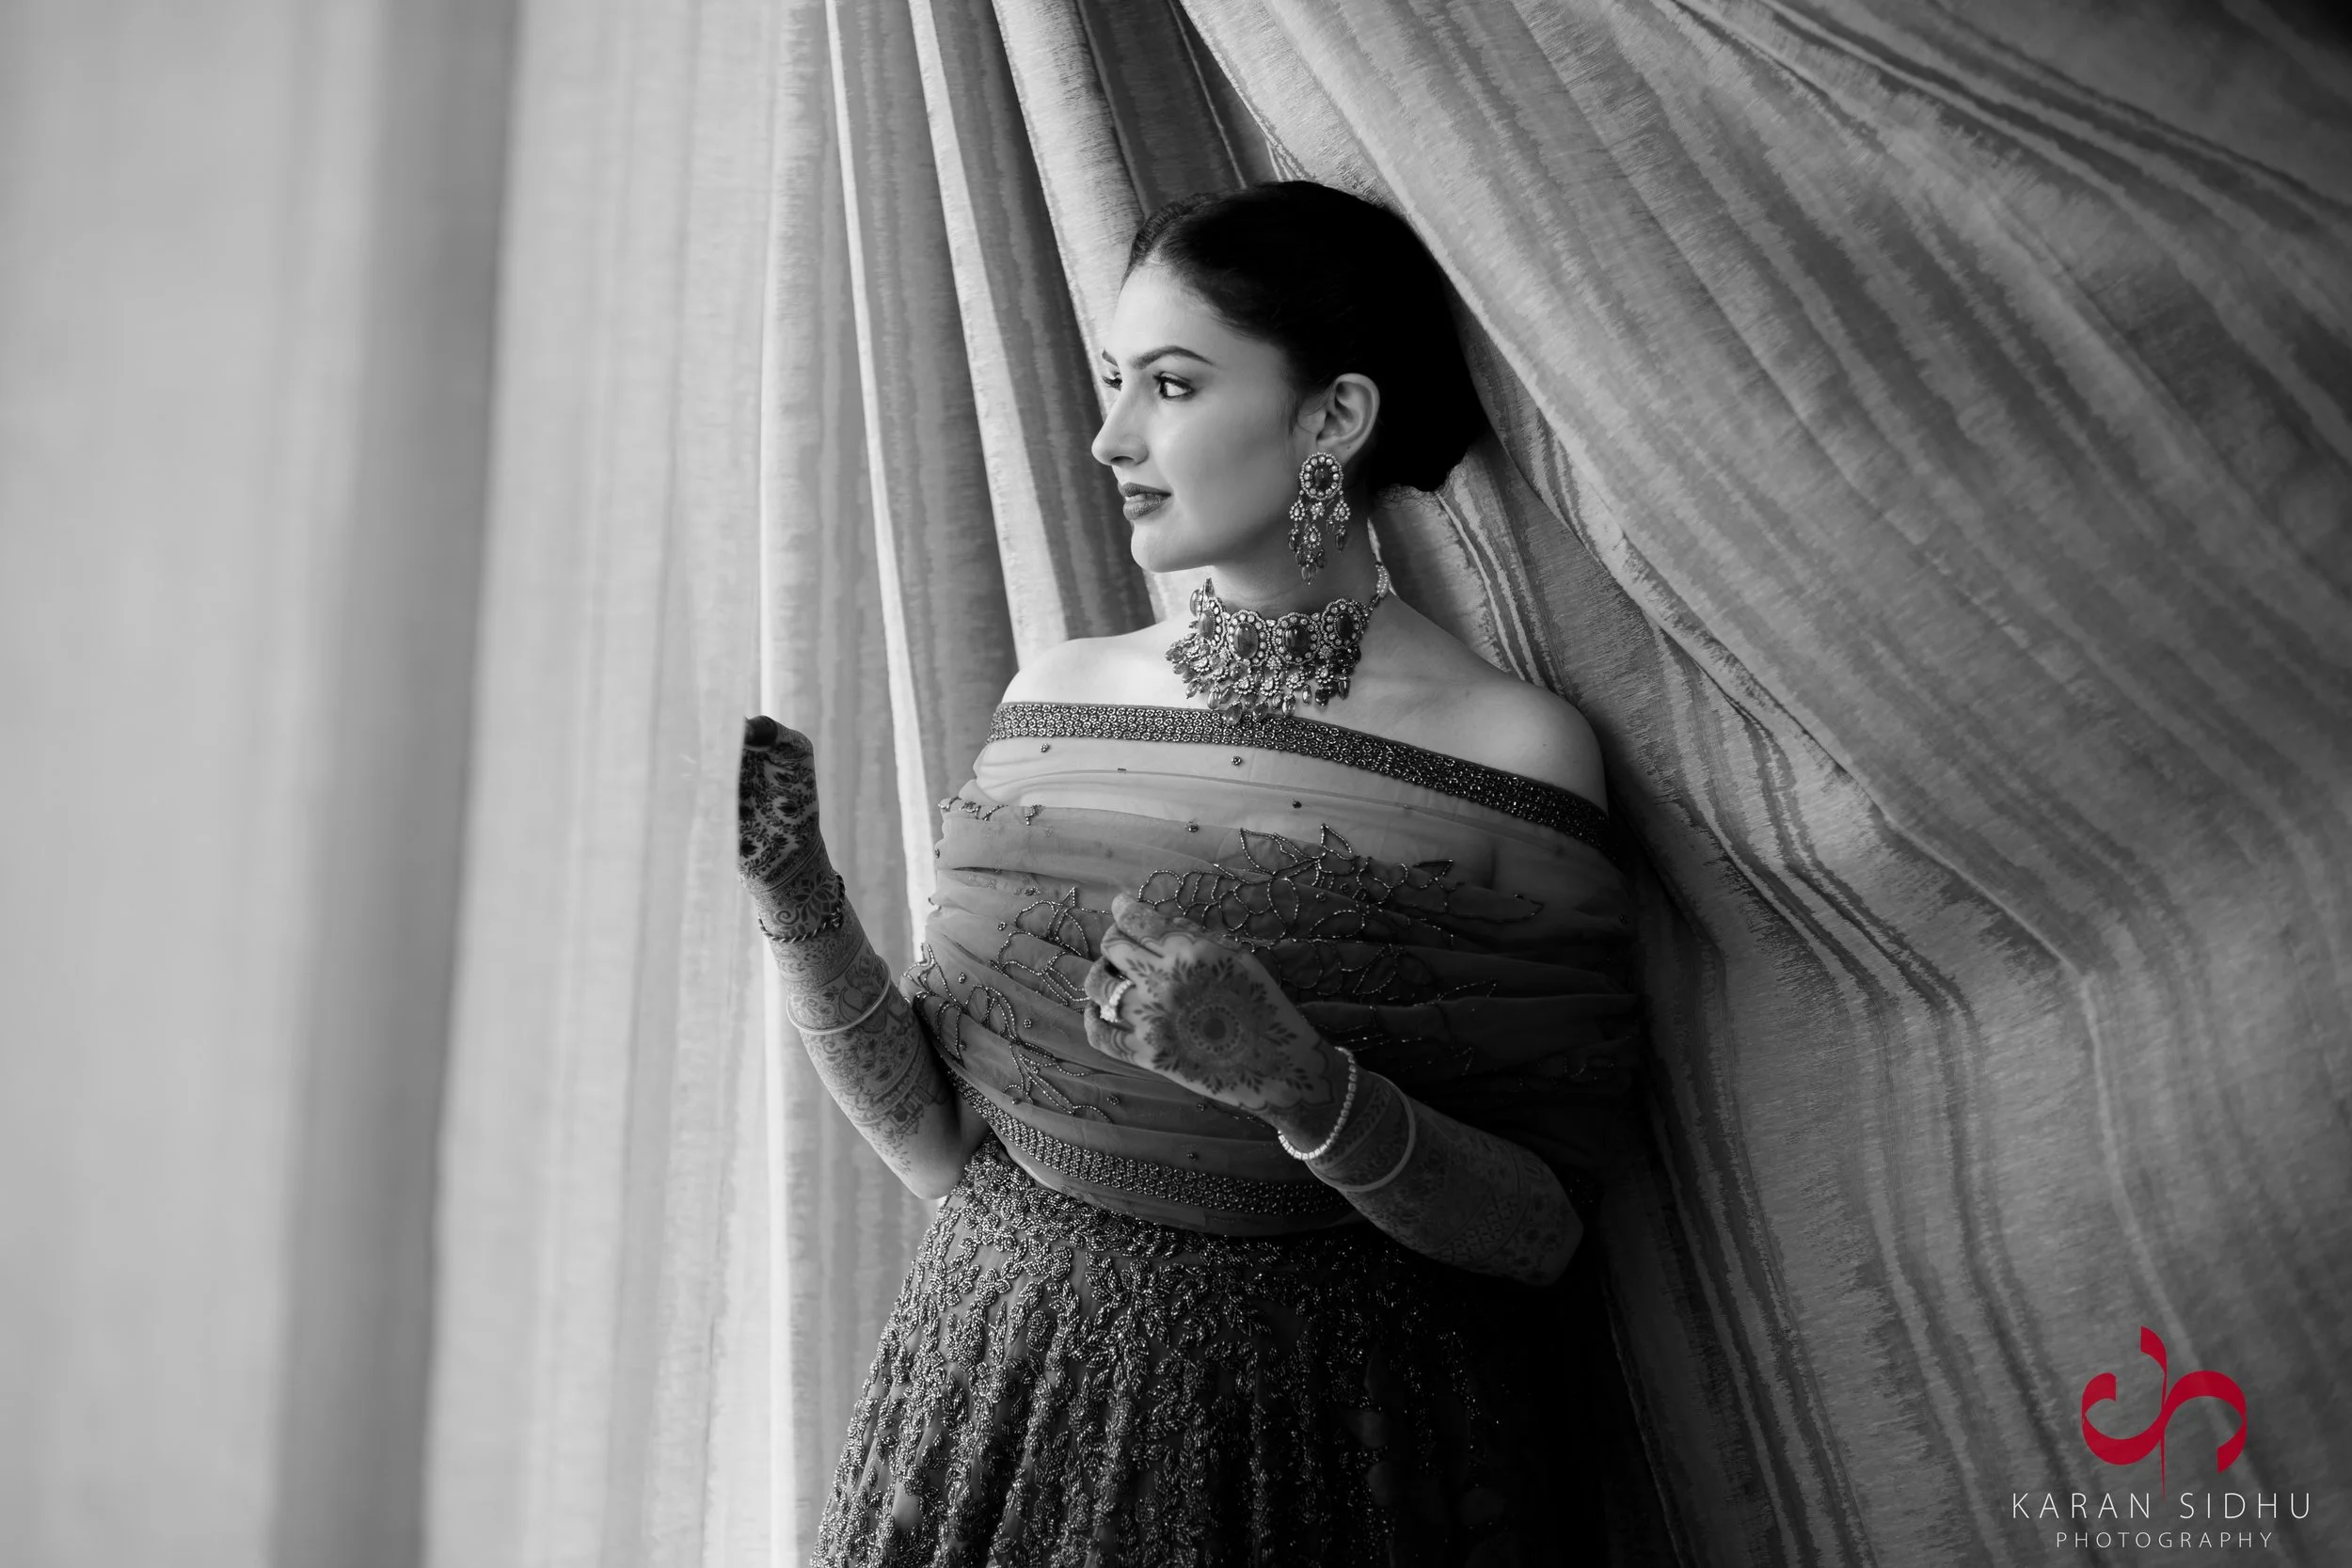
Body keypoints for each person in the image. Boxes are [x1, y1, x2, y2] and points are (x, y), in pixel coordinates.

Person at [739, 181, 1654, 1566]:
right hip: (991, 1403)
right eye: (1114, 383)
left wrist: (1298, 1085)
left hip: (1317, 1451)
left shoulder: (1512, 751)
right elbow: (942, 1148)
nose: (1111, 438)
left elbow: (1541, 1236)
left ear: (1333, 419)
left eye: (1169, 385)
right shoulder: (1055, 698)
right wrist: (795, 897)